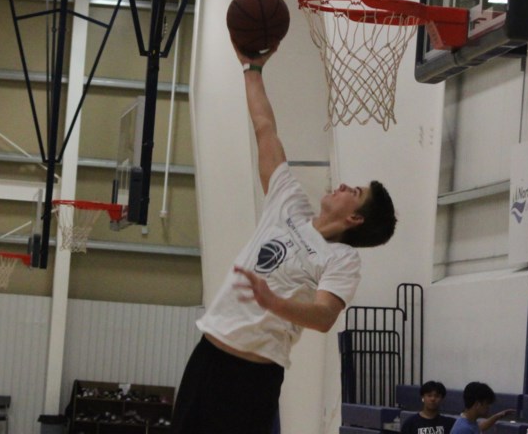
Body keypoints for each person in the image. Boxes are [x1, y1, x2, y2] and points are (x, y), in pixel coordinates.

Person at [170, 42, 398, 434]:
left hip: (252, 378)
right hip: (208, 357)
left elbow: (326, 316)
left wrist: (273, 301)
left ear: (355, 218)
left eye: (354, 191)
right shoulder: (288, 202)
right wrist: (252, 69)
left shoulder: (342, 259)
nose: (343, 185)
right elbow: (264, 129)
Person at [450, 382, 514, 434]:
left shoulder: (469, 423)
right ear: (477, 404)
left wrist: (497, 416)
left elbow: (479, 426)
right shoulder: (463, 430)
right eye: (487, 403)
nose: (488, 407)